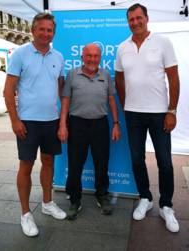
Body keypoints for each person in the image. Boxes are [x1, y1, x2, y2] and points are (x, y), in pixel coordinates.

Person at [115, 3, 180, 233]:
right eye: (131, 19)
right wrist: (125, 106)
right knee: (136, 158)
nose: (135, 22)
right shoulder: (122, 47)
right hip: (133, 113)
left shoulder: (163, 42)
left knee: (164, 161)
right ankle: (145, 197)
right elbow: (119, 79)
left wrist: (172, 111)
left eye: (138, 18)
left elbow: (173, 77)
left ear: (146, 18)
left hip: (159, 112)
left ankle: (166, 205)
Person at [4, 12, 67, 237]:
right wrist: (15, 121)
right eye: (41, 29)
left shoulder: (58, 57)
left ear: (53, 33)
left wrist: (62, 121)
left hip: (51, 120)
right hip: (27, 122)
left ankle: (48, 203)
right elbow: (8, 90)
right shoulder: (20, 54)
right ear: (33, 30)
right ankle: (25, 213)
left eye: (50, 30)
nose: (46, 33)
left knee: (48, 162)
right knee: (26, 166)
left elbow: (61, 90)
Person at [58, 43, 120, 220]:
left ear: (100, 58)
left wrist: (116, 123)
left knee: (102, 162)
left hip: (100, 124)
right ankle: (75, 200)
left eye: (96, 56)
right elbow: (65, 101)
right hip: (77, 124)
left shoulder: (106, 75)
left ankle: (102, 195)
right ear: (82, 57)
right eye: (88, 56)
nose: (92, 59)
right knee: (75, 163)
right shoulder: (72, 75)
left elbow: (112, 101)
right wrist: (63, 125)